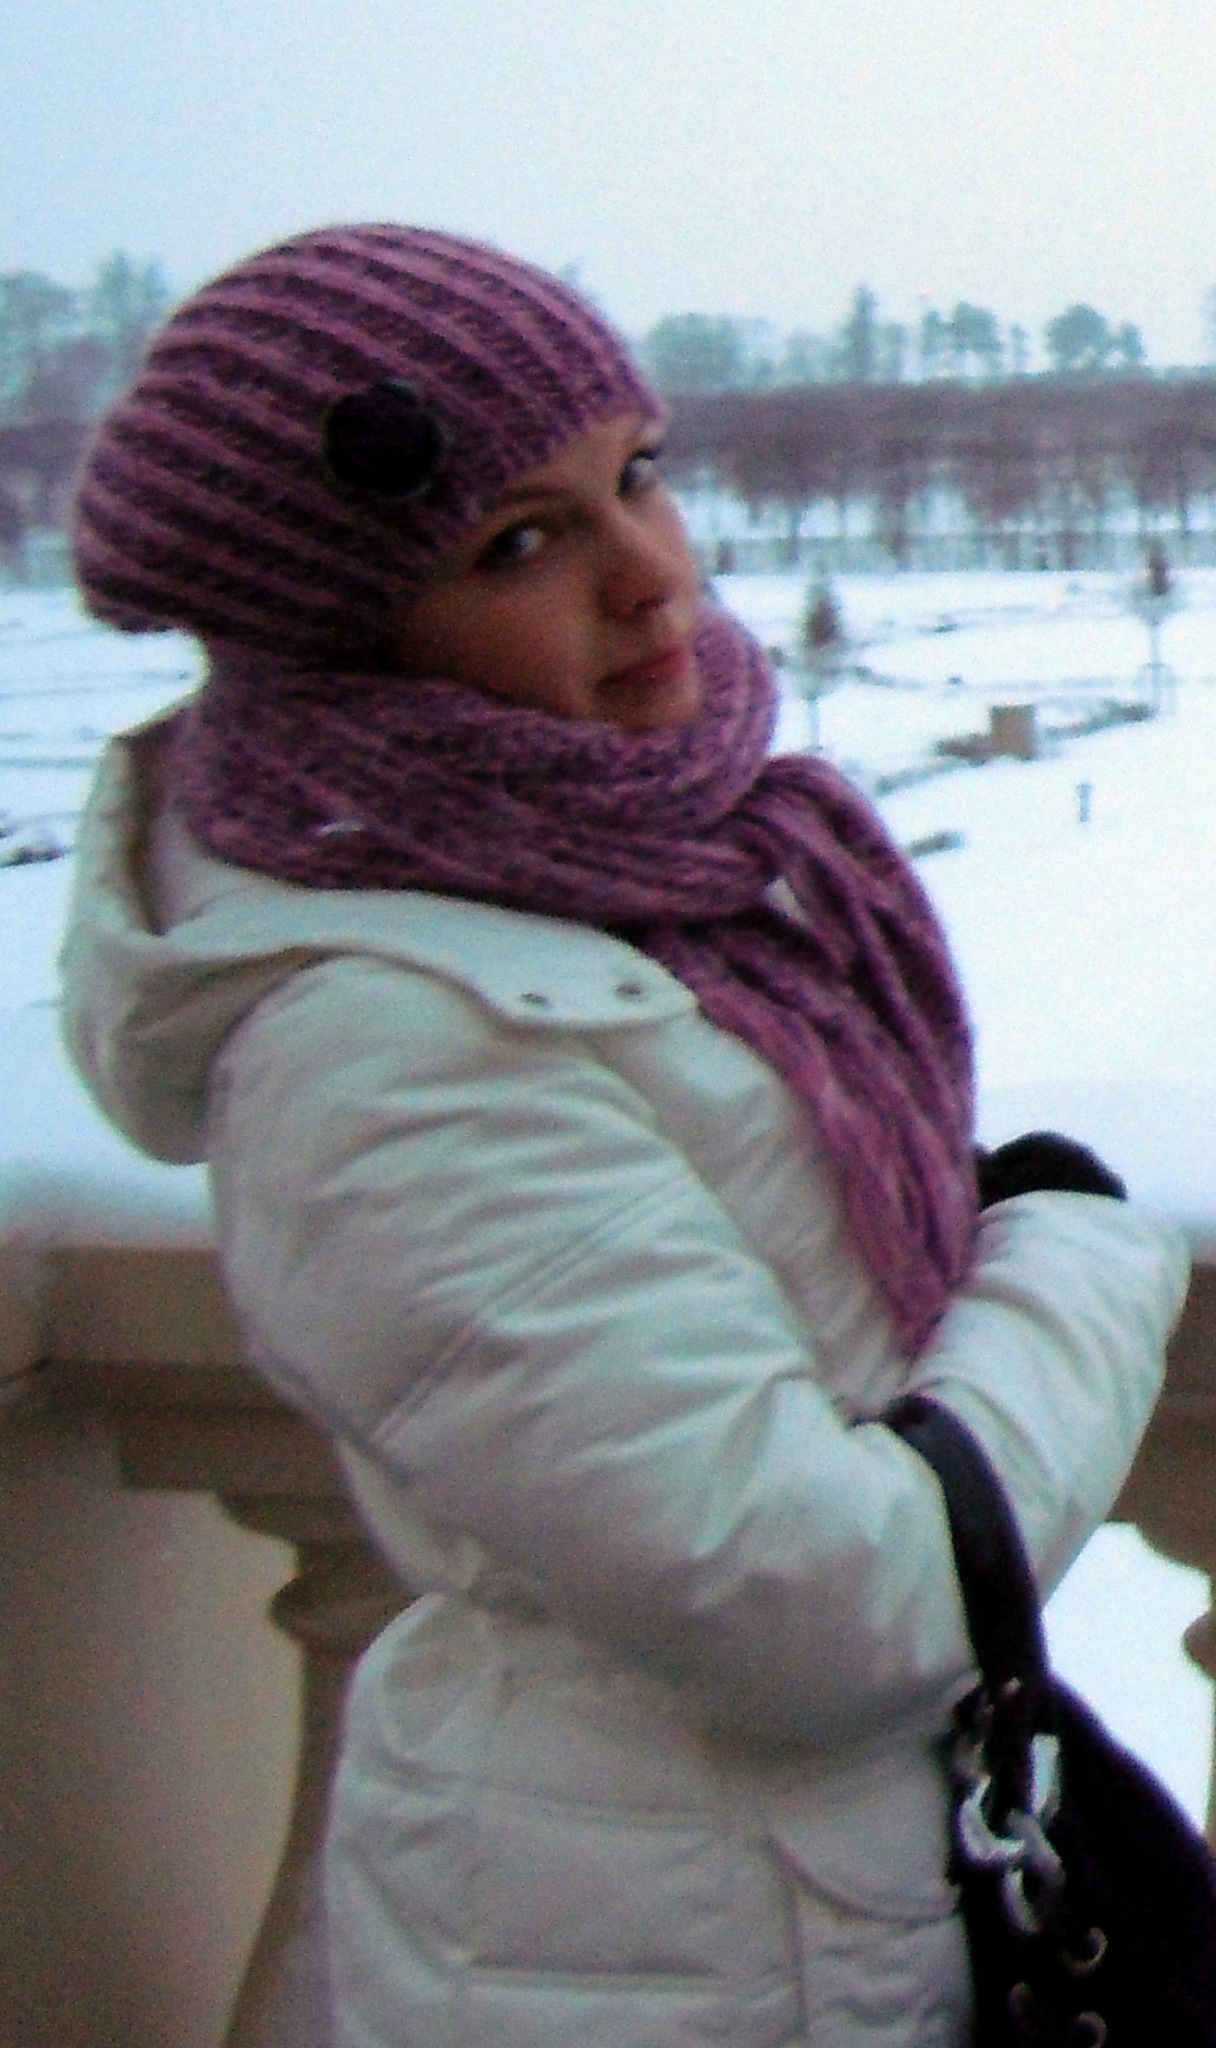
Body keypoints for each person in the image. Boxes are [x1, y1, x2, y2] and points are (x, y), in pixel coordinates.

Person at [61, 224, 1188, 2048]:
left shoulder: (592, 877)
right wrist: (1077, 1249)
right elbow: (824, 1599)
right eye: (520, 541)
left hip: (770, 1903)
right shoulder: (381, 1057)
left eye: (637, 476)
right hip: (651, 1953)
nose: (655, 574)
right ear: (340, 634)